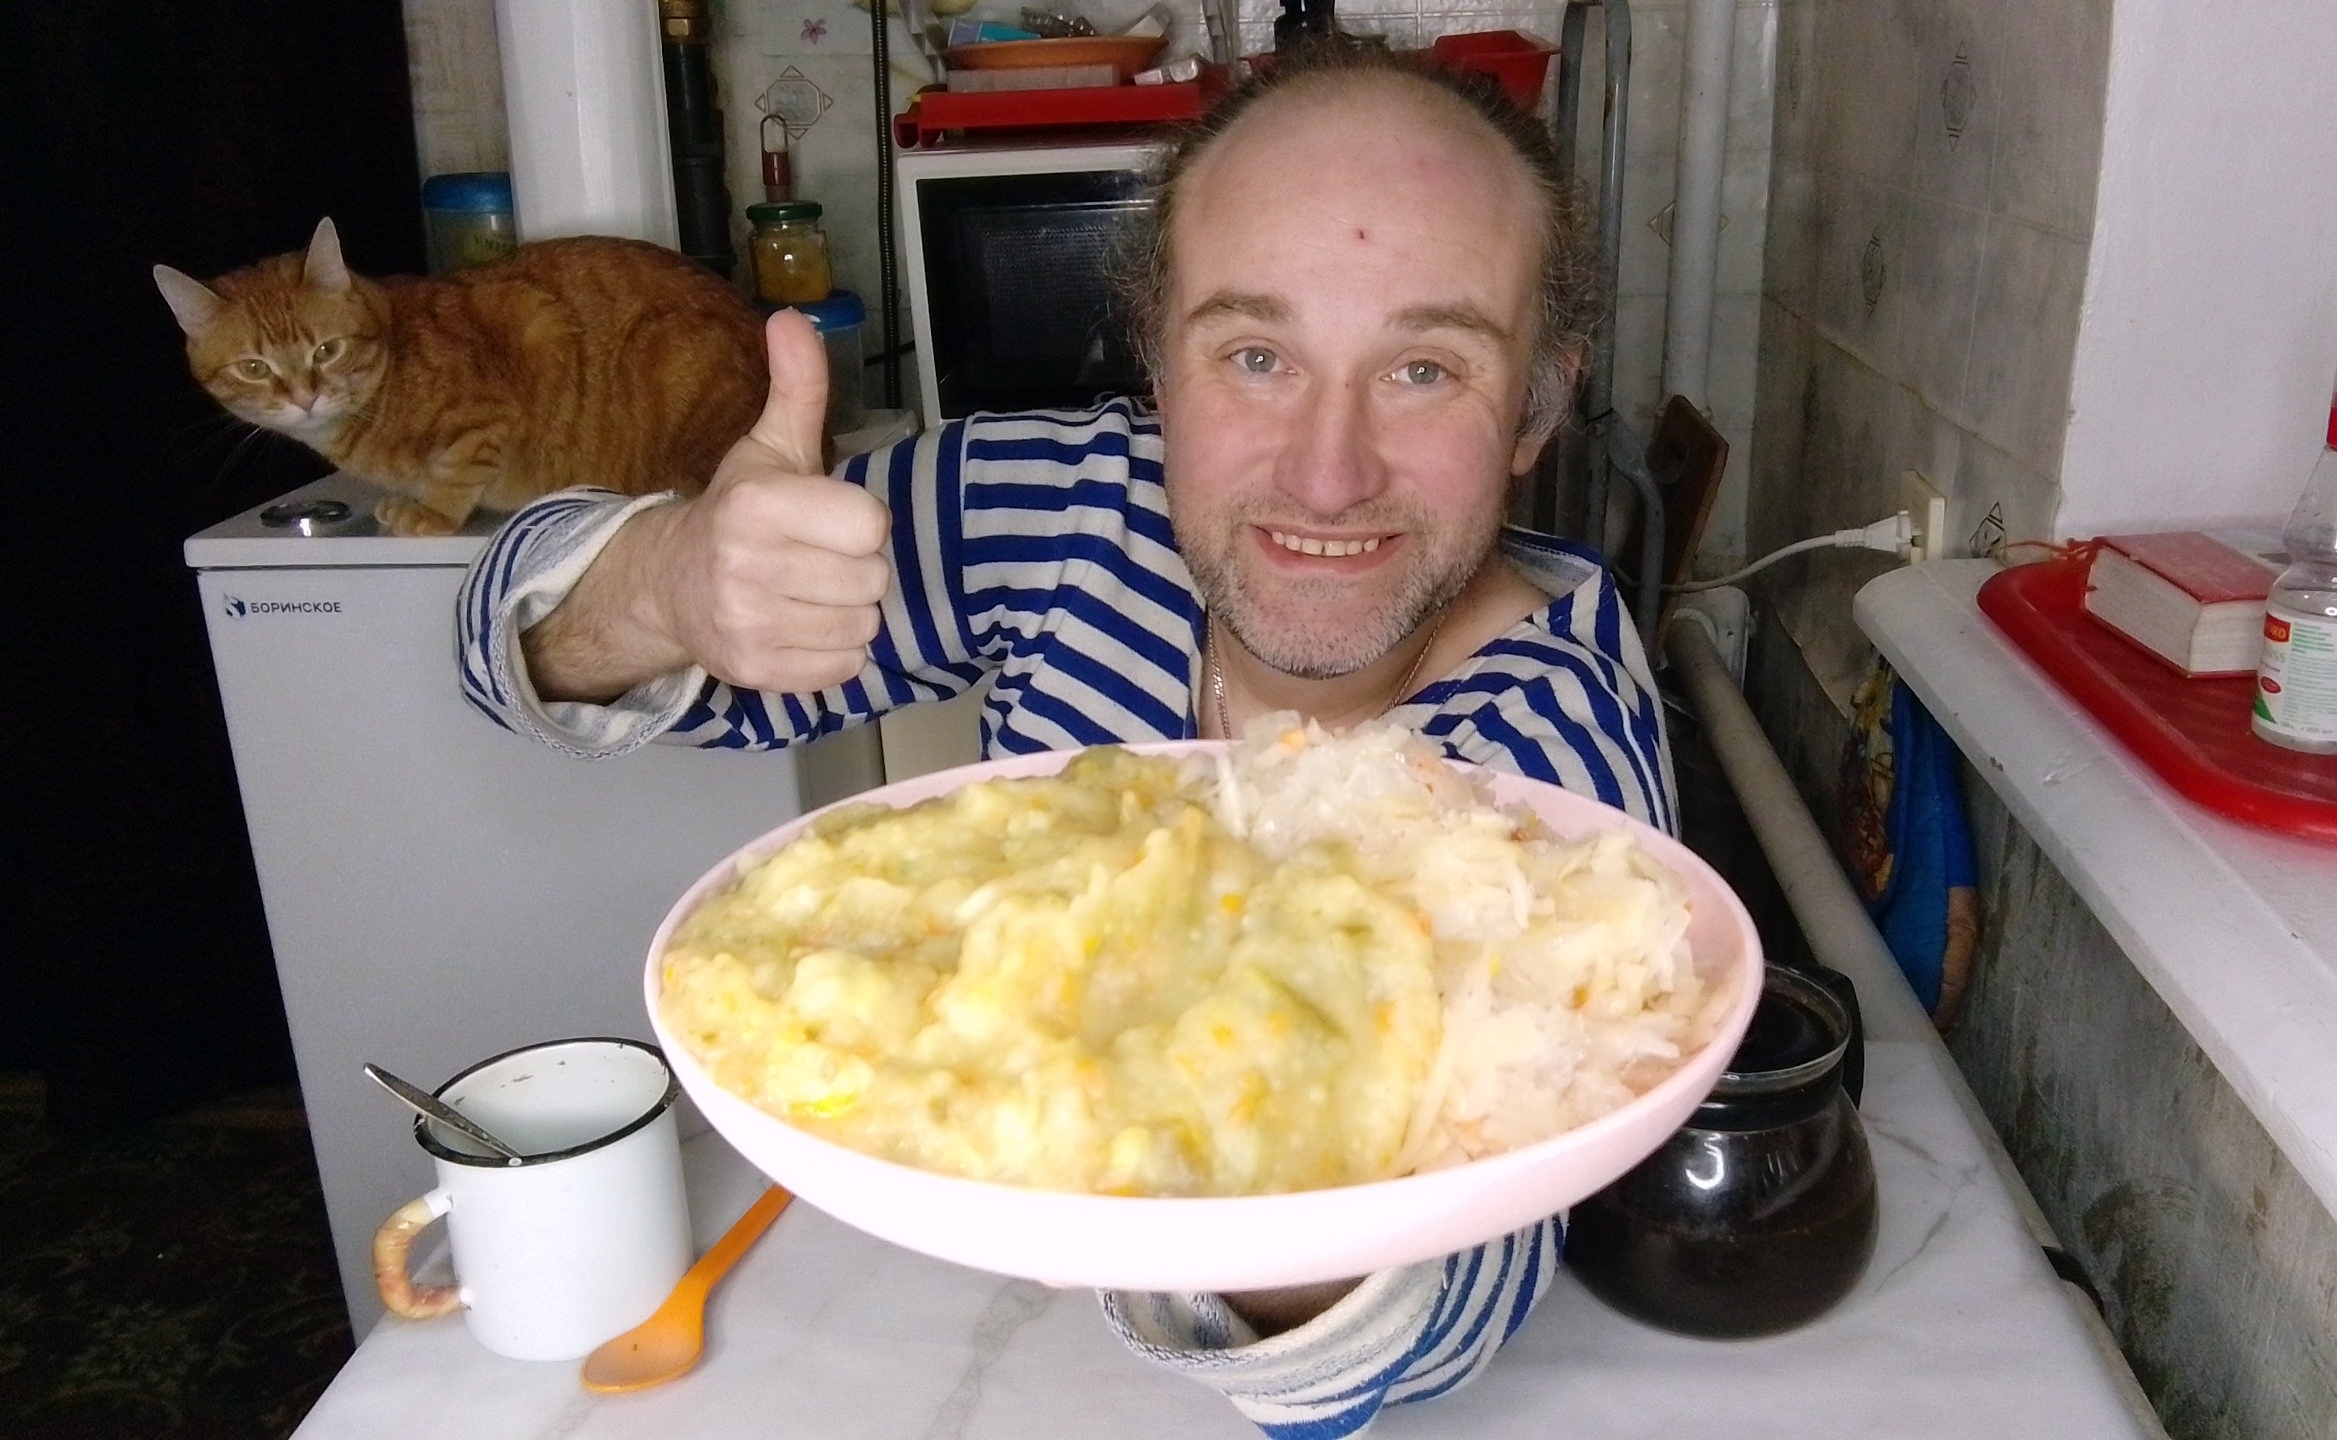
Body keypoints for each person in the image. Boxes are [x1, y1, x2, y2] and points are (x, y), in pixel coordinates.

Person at [457, 46, 1674, 1439]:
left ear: (1534, 409)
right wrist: (670, 582)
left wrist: (1179, 1160)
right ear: (1159, 363)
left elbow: (1413, 1342)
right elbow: (506, 651)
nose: (1327, 473)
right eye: (1256, 356)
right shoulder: (1054, 503)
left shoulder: (1550, 770)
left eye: (1423, 368)